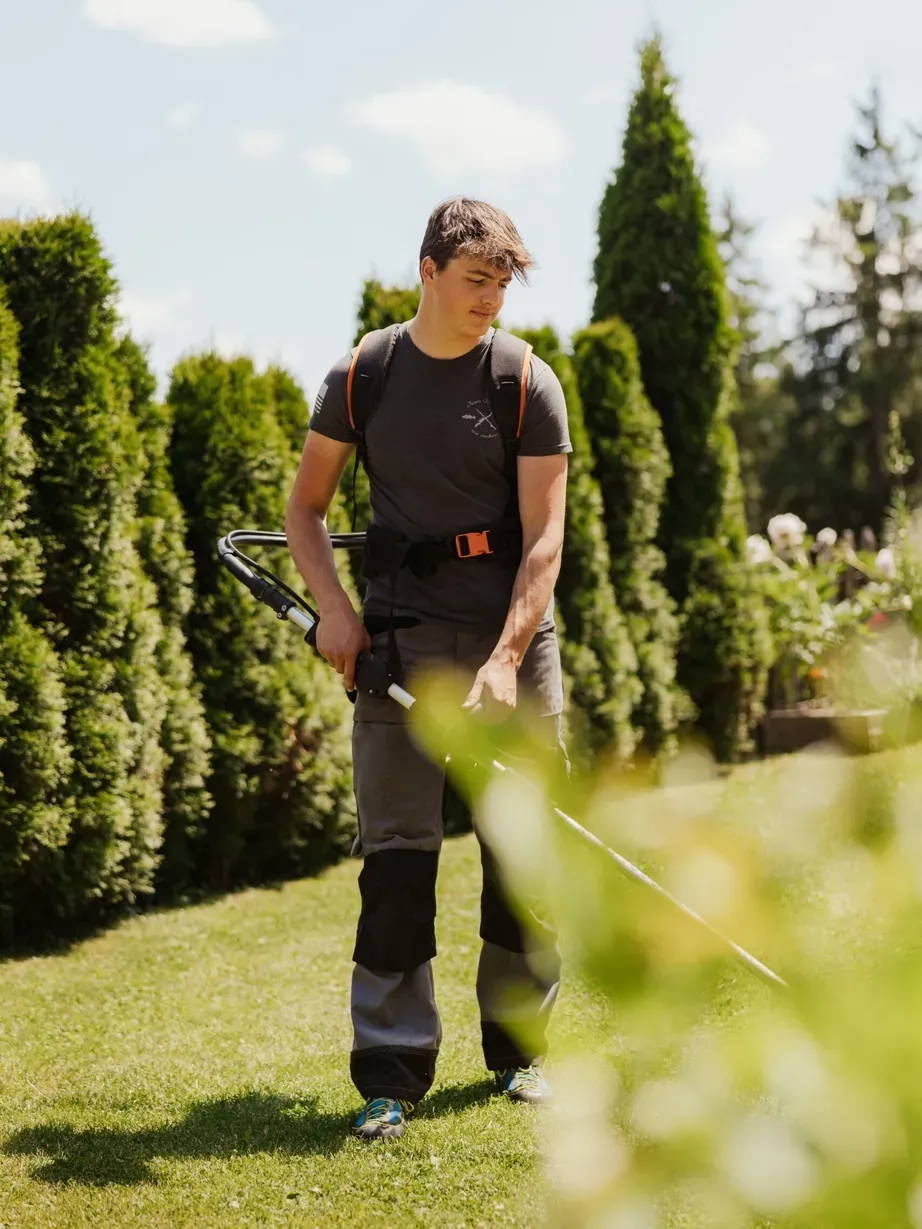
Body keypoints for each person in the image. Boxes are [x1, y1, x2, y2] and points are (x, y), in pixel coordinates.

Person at [285, 197, 571, 1140]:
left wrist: (503, 659)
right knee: (398, 863)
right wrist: (335, 607)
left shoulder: (526, 382)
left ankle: (521, 1054)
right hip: (400, 647)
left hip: (511, 651)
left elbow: (543, 544)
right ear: (428, 272)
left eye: (503, 282)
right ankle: (393, 1074)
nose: (491, 298)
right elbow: (307, 511)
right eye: (476, 278)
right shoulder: (362, 376)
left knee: (522, 855)